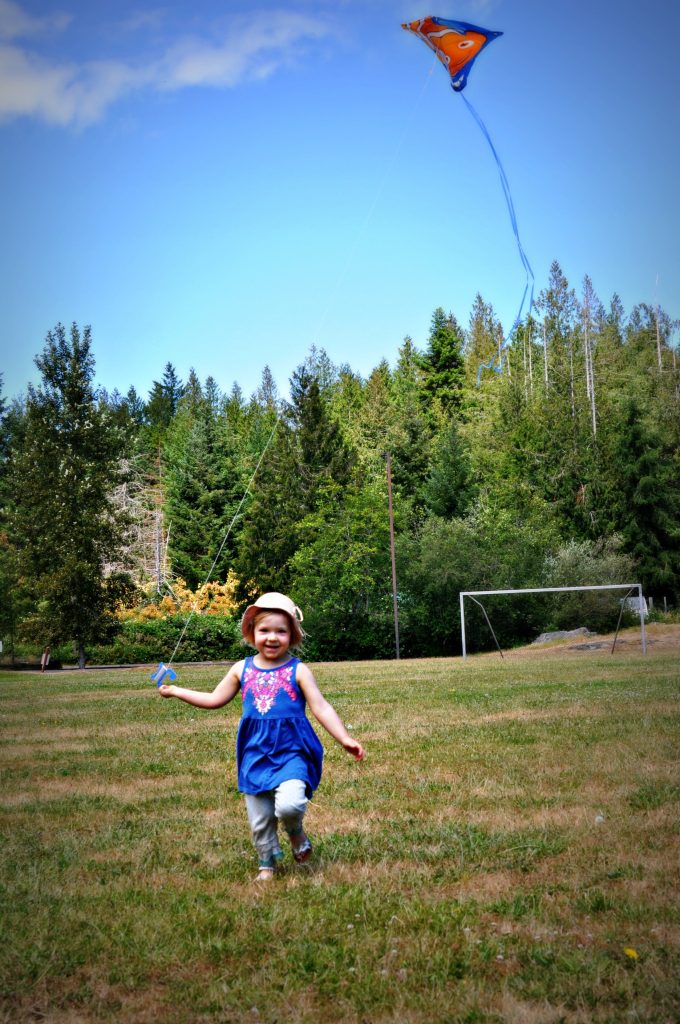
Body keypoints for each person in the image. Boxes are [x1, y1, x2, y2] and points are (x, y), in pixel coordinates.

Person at [158, 592, 365, 881]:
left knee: (290, 805)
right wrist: (177, 691)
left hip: (291, 750)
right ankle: (267, 864)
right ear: (251, 632)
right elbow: (215, 699)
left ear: (292, 636)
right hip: (255, 752)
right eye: (264, 630)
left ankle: (295, 832)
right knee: (260, 819)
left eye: (281, 631)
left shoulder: (299, 670)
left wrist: (344, 738)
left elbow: (321, 706)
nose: (272, 637)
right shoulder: (241, 669)